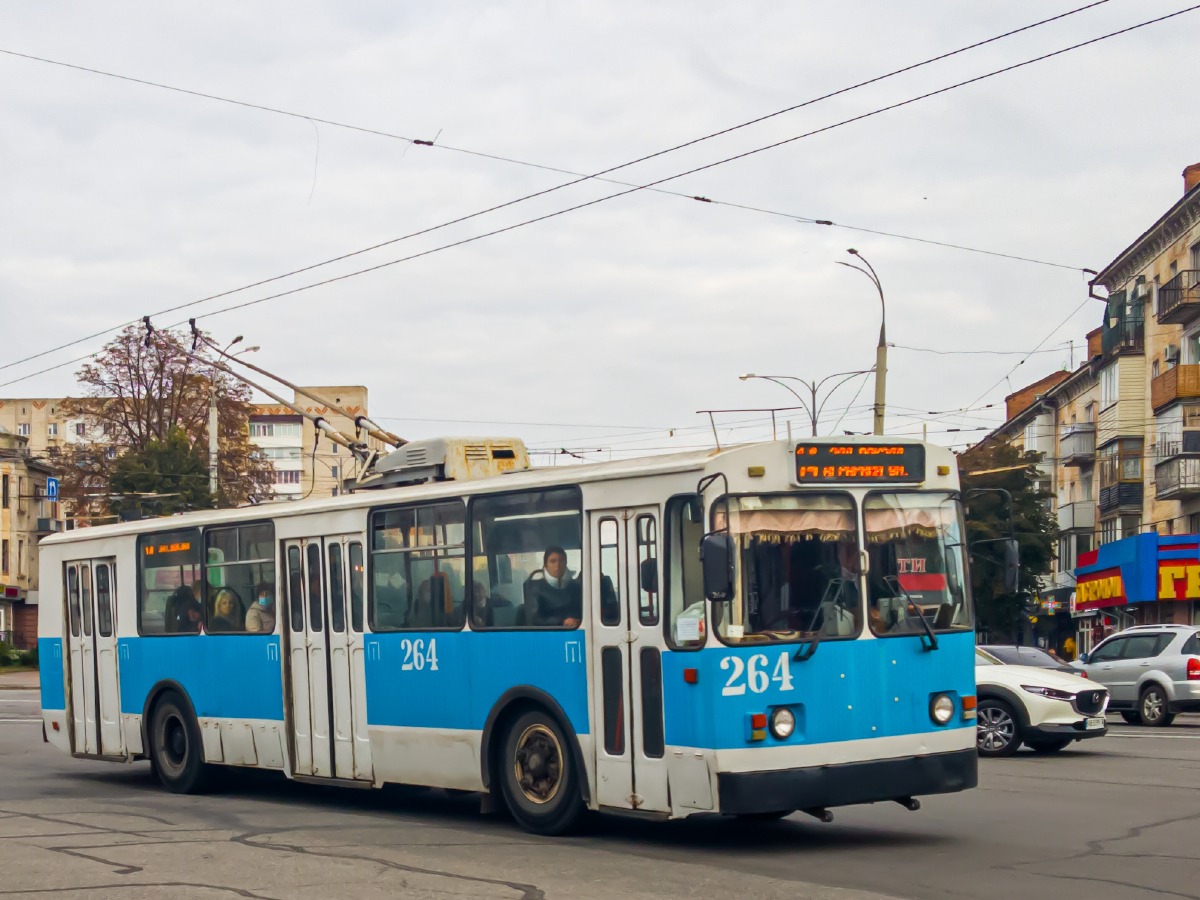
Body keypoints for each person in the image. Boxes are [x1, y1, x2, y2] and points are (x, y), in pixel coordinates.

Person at [524, 546, 582, 627]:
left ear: (565, 563)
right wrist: (562, 622)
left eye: (561, 561)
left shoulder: (575, 587)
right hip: (547, 633)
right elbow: (534, 620)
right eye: (553, 561)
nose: (557, 565)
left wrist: (578, 621)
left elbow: (582, 611)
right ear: (546, 565)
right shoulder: (535, 588)